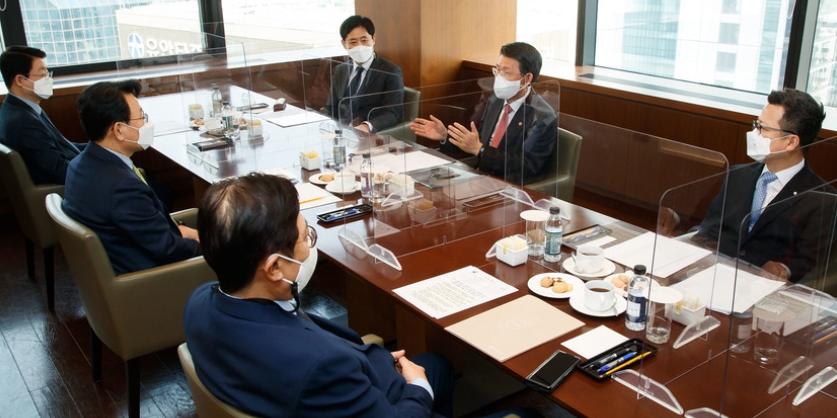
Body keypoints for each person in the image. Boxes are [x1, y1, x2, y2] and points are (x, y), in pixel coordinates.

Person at [184, 173, 455, 417]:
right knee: (435, 372)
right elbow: (321, 363)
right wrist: (419, 387)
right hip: (379, 401)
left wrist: (374, 360)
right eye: (305, 238)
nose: (309, 246)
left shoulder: (199, 304)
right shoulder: (322, 366)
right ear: (275, 267)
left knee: (438, 365)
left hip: (345, 383)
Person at [62, 80, 200, 275]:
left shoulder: (80, 164)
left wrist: (184, 232)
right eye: (142, 117)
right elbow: (169, 250)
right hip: (153, 281)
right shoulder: (121, 187)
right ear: (118, 130)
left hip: (125, 259)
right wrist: (211, 248)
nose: (146, 123)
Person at [697, 88, 834, 282]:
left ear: (791, 142)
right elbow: (709, 229)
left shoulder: (822, 199)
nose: (754, 134)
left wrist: (785, 269)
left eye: (763, 128)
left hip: (767, 297)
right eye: (756, 125)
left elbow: (812, 266)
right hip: (713, 278)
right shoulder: (738, 175)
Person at [410, 42, 557, 185]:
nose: (499, 77)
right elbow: (476, 140)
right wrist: (444, 137)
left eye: (506, 72)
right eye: (497, 70)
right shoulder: (495, 100)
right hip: (480, 177)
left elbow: (526, 166)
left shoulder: (542, 117)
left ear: (527, 79)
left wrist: (479, 150)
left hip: (511, 187)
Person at [0, 46, 85, 184]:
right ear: (20, 80)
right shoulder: (23, 122)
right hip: (62, 190)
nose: (49, 80)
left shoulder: (20, 108)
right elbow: (61, 172)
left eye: (48, 73)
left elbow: (64, 147)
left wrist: (102, 147)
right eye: (42, 75)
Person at [324, 15, 404, 133]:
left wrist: (366, 126)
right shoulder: (340, 70)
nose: (359, 46)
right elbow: (331, 107)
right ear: (344, 44)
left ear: (373, 39)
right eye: (353, 41)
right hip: (339, 133)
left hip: (368, 135)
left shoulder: (390, 71)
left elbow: (393, 112)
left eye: (364, 40)